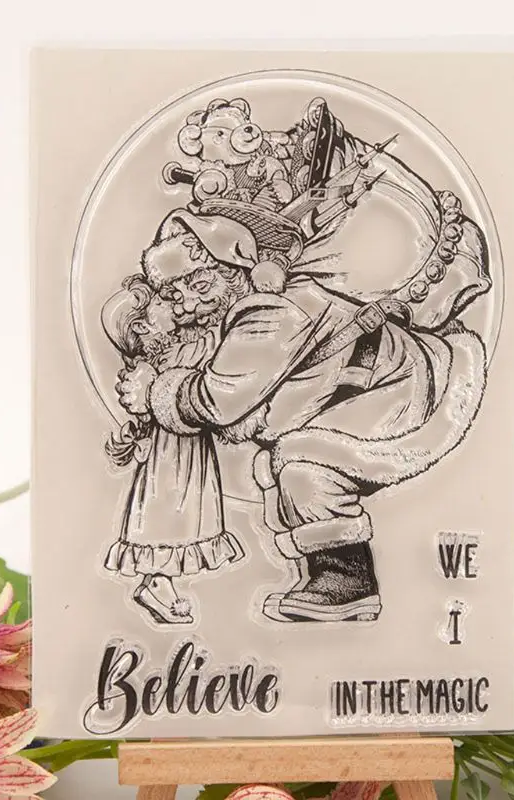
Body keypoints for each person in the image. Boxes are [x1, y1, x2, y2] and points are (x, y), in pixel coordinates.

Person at [116, 209, 489, 623]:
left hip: (401, 393)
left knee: (305, 469)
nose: (188, 302)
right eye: (173, 294)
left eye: (201, 284)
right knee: (293, 464)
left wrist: (154, 392)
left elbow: (217, 400)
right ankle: (338, 581)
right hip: (367, 390)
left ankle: (347, 582)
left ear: (233, 269)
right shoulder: (249, 312)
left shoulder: (270, 315)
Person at [100, 269, 245, 625]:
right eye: (162, 301)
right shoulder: (170, 355)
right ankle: (156, 583)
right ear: (144, 327)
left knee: (180, 513)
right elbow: (215, 344)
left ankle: (159, 582)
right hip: (174, 454)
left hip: (183, 447)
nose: (175, 300)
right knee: (172, 513)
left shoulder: (171, 350)